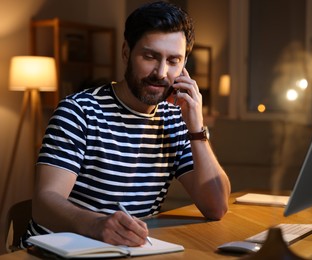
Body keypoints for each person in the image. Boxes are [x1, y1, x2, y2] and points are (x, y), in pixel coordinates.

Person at [21, 1, 230, 248]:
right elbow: (44, 203)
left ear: (184, 66)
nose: (161, 72)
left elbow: (216, 207)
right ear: (126, 52)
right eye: (150, 56)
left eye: (173, 60)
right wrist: (97, 225)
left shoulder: (174, 119)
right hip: (55, 251)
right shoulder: (78, 111)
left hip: (125, 251)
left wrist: (196, 128)